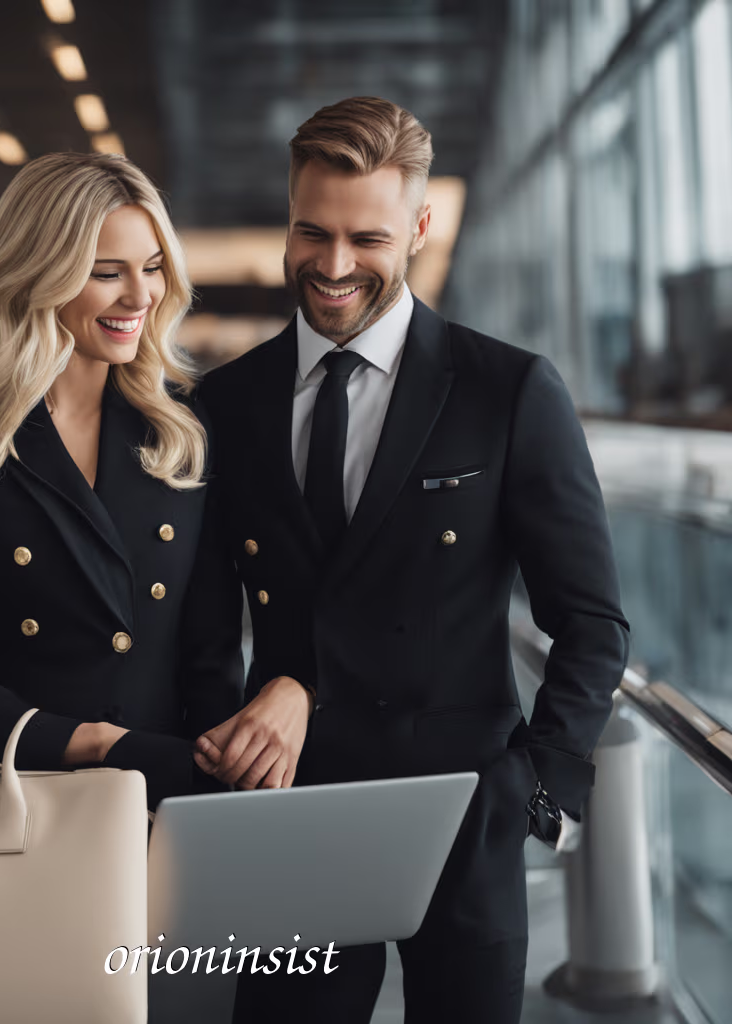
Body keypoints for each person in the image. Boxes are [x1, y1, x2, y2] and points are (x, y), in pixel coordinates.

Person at [195, 97, 630, 1023]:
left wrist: (536, 788)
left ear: (421, 226)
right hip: (293, 812)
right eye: (312, 231)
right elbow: (199, 626)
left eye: (368, 238)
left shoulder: (508, 390)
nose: (335, 265)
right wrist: (216, 772)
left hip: (466, 807)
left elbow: (590, 620)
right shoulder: (226, 404)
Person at [0, 152, 244, 811]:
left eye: (154, 267)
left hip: (169, 793)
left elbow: (212, 656)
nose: (141, 296)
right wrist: (91, 742)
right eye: (107, 273)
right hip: (23, 795)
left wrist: (213, 797)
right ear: (38, 275)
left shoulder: (181, 428)